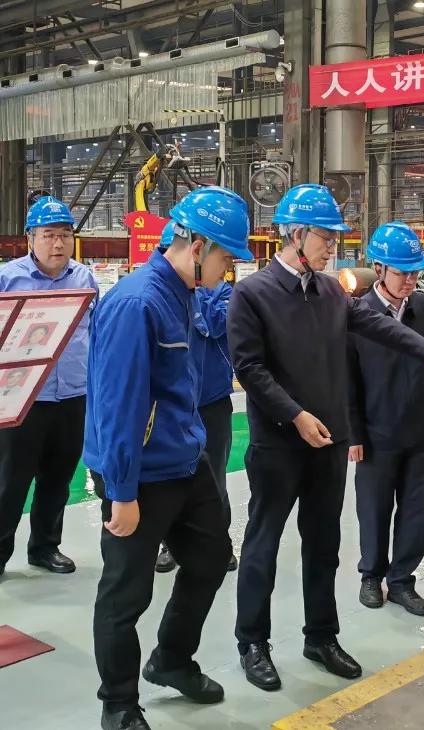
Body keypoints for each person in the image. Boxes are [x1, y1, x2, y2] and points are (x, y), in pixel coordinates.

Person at [228, 184, 424, 692]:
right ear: (296, 234)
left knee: (324, 544)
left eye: (335, 238)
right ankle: (253, 642)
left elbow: (381, 327)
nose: (333, 247)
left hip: (328, 443)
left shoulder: (331, 292)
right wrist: (295, 415)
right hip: (279, 444)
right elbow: (250, 368)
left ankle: (321, 636)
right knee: (263, 544)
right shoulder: (253, 294)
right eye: (325, 237)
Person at [84, 186, 252, 730]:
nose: (227, 271)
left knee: (210, 560)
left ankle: (172, 660)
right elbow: (118, 406)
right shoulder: (136, 303)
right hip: (138, 473)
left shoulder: (186, 294)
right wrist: (122, 491)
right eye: (226, 259)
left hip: (184, 459)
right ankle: (118, 703)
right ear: (197, 247)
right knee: (126, 593)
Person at [348, 222, 424, 617]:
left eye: (415, 272)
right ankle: (371, 575)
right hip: (377, 433)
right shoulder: (358, 315)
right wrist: (354, 433)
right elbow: (347, 378)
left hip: (421, 430)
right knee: (373, 509)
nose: (410, 280)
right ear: (378, 268)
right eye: (401, 272)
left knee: (415, 510)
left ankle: (402, 581)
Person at [0, 196, 98, 578]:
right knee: (10, 481)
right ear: (30, 238)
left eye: (65, 235)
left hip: (73, 395)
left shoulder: (84, 279)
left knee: (58, 478)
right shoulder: (9, 279)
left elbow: (97, 332)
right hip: (23, 399)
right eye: (49, 235)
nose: (58, 243)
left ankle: (44, 547)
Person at [154, 223, 238, 575]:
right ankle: (170, 544)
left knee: (214, 476)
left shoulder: (223, 291)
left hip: (211, 402)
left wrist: (195, 294)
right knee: (171, 477)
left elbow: (217, 324)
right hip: (173, 403)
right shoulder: (158, 297)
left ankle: (220, 541)